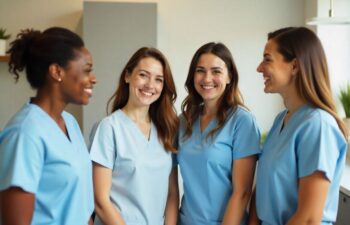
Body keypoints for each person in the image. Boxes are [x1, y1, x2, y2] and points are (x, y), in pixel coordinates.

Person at [249, 27, 348, 225]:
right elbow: (262, 189)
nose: (259, 68)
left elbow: (309, 219)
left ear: (294, 66)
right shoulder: (281, 120)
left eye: (267, 59)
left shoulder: (318, 125)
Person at [0, 27, 96, 224]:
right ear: (56, 72)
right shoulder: (24, 134)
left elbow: (80, 204)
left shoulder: (70, 123)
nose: (93, 78)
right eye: (87, 70)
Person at [89, 47, 179, 225]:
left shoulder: (166, 130)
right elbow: (100, 201)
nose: (150, 85)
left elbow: (172, 194)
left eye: (158, 79)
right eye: (143, 75)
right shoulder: (109, 128)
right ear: (127, 76)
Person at [177, 42, 261, 225]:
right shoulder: (184, 121)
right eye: (200, 70)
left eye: (216, 71)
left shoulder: (242, 121)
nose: (207, 78)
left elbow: (242, 193)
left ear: (230, 76)